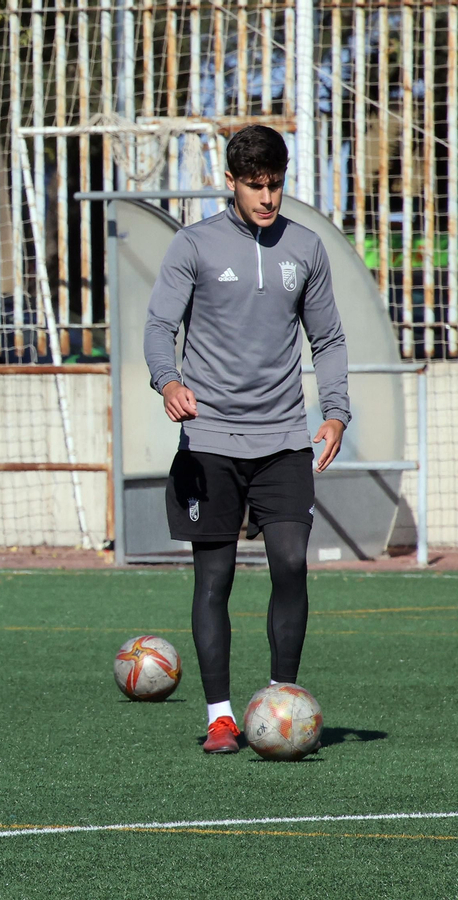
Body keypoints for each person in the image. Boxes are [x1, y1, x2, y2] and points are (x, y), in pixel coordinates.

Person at [143, 124, 350, 754]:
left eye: (275, 184)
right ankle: (221, 717)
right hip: (209, 440)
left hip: (284, 438)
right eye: (255, 185)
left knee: (290, 563)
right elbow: (159, 326)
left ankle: (281, 701)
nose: (267, 197)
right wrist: (168, 381)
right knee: (216, 577)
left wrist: (335, 412)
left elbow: (328, 339)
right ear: (229, 181)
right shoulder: (193, 245)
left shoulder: (306, 248)